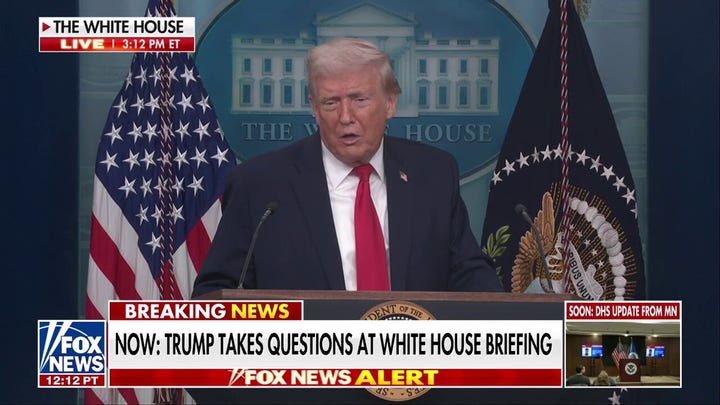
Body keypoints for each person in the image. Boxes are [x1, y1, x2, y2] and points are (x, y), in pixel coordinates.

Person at [192, 37, 503, 297]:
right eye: (331, 102)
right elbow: (215, 291)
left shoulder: (433, 174)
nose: (345, 117)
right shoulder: (260, 185)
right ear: (314, 109)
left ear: (390, 103)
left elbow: (468, 273)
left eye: (359, 100)